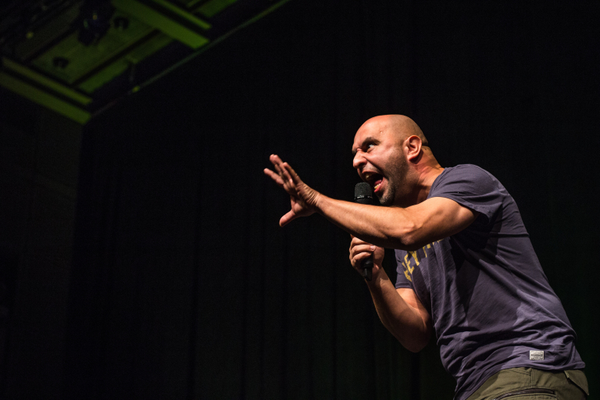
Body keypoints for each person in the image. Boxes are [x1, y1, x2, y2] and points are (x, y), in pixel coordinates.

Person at [264, 114, 588, 400]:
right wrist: (376, 276)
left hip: (527, 365)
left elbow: (410, 228)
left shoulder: (466, 181)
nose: (356, 161)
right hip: (475, 384)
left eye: (369, 146)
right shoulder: (407, 243)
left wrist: (316, 200)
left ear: (412, 147)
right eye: (355, 154)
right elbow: (414, 333)